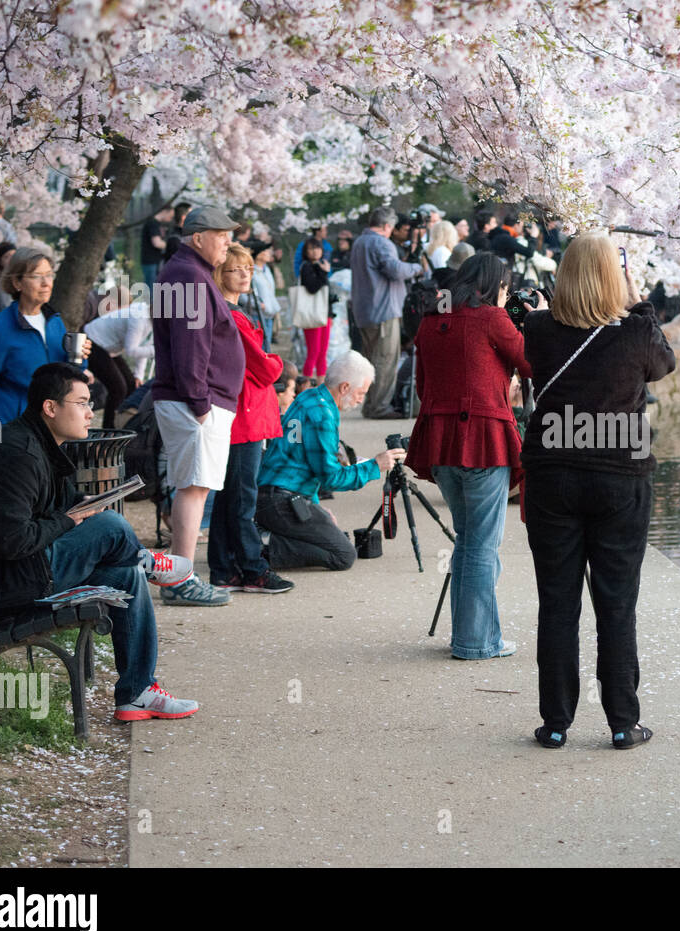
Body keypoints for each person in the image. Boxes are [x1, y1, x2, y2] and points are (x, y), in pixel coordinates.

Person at [0, 363, 200, 721]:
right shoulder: (18, 454)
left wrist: (79, 510)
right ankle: (148, 560)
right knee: (111, 524)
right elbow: (10, 541)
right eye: (81, 402)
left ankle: (137, 693)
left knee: (126, 576)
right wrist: (69, 520)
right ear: (50, 408)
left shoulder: (40, 445)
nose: (90, 411)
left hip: (16, 571)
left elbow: (55, 509)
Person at [520, 232, 676, 749]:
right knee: (616, 603)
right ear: (617, 277)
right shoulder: (635, 333)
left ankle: (557, 722)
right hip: (619, 476)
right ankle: (622, 722)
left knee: (557, 601)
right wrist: (639, 299)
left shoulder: (538, 329)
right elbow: (664, 364)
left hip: (552, 476)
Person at [406, 254, 532, 660]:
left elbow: (424, 386)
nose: (507, 296)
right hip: (482, 439)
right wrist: (536, 319)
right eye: (505, 288)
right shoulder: (492, 319)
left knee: (468, 541)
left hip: (441, 441)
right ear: (494, 284)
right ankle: (476, 642)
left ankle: (473, 636)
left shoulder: (430, 319)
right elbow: (533, 363)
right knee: (481, 545)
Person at [150, 204, 245, 607]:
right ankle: (180, 580)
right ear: (199, 237)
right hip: (194, 402)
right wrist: (201, 403)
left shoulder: (185, 271)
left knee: (194, 486)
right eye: (222, 235)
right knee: (193, 488)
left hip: (192, 399)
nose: (228, 242)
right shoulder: (189, 275)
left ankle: (179, 576)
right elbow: (191, 349)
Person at [256, 351, 406, 570]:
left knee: (332, 535)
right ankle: (259, 546)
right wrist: (375, 466)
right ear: (345, 387)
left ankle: (265, 536)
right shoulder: (323, 415)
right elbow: (331, 479)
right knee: (343, 554)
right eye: (360, 393)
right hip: (281, 501)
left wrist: (316, 508)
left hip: (275, 495)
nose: (361, 400)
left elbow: (311, 467)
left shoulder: (310, 396)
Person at [0, 248, 91, 466]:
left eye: (49, 274)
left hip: (54, 433)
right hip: (13, 433)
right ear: (17, 283)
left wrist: (81, 357)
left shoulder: (55, 323)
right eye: (36, 276)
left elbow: (66, 378)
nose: (46, 283)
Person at [209, 243, 292, 594]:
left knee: (230, 495)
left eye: (247, 269)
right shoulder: (232, 317)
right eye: (235, 269)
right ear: (219, 274)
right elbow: (265, 366)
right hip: (244, 413)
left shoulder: (225, 313)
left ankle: (224, 568)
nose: (244, 274)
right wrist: (276, 362)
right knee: (242, 496)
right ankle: (251, 567)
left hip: (239, 410)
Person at [349, 207, 424, 419]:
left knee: (371, 359)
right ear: (387, 226)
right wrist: (415, 268)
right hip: (383, 310)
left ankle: (370, 403)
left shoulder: (360, 242)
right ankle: (378, 407)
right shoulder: (381, 243)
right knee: (384, 359)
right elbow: (394, 269)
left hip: (364, 310)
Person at [82, 286, 153, 428]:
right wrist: (157, 350)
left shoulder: (155, 323)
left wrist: (139, 375)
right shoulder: (139, 316)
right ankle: (108, 430)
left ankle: (123, 424)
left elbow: (145, 347)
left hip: (109, 348)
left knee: (132, 385)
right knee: (118, 388)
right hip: (93, 340)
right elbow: (131, 350)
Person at [298, 237, 333, 388]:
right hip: (312, 315)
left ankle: (320, 387)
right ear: (306, 252)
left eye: (317, 248)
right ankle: (304, 388)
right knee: (313, 352)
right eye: (311, 249)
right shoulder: (306, 267)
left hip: (324, 314)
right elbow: (313, 287)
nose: (315, 251)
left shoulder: (320, 265)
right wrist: (324, 273)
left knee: (322, 354)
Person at [140, 205, 174, 292]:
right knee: (151, 289)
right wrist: (172, 246)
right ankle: (150, 305)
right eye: (170, 216)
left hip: (156, 261)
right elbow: (157, 243)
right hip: (150, 261)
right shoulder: (153, 223)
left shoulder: (158, 224)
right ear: (165, 211)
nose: (171, 219)